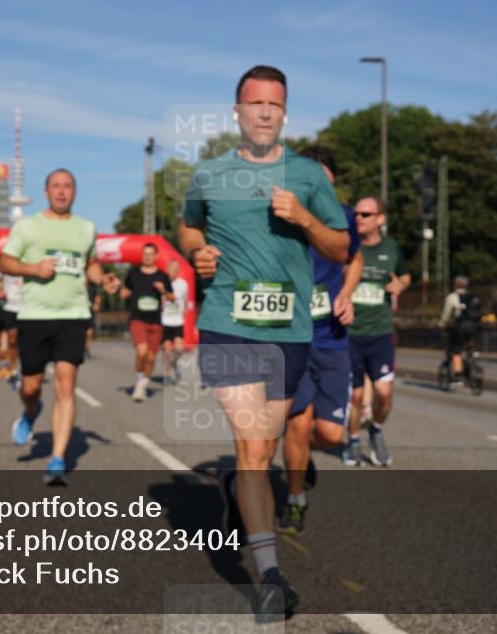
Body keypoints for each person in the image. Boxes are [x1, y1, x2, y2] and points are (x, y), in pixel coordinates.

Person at [179, 65, 349, 615]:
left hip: (289, 331)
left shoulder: (308, 177)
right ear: (237, 111)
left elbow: (341, 248)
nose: (264, 112)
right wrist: (196, 251)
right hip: (227, 322)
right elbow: (188, 227)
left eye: (274, 104)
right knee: (253, 448)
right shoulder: (208, 175)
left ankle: (233, 496)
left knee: (266, 447)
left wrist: (303, 217)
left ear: (285, 113)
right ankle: (271, 576)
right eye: (255, 103)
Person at [0, 168, 120, 485]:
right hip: (35, 317)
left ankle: (56, 459)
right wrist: (32, 268)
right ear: (46, 191)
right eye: (56, 186)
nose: (62, 191)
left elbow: (90, 264)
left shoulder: (86, 228)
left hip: (73, 315)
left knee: (66, 386)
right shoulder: (28, 226)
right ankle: (31, 409)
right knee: (31, 385)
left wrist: (102, 278)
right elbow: (5, 261)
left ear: (75, 193)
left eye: (68, 186)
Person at [278, 145, 362, 535]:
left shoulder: (343, 219)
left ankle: (301, 459)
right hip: (291, 339)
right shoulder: (281, 217)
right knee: (298, 424)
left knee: (328, 433)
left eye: (325, 182)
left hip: (331, 338)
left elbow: (354, 258)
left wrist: (347, 292)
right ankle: (295, 499)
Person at [341, 196, 410, 468]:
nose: (359, 218)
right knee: (356, 396)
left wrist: (400, 286)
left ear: (380, 219)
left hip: (381, 333)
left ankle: (376, 429)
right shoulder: (345, 247)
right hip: (350, 333)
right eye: (357, 214)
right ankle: (353, 440)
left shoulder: (392, 249)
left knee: (383, 394)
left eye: (366, 214)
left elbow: (404, 276)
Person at [120, 243, 174, 402]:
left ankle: (142, 385)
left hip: (156, 321)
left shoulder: (162, 276)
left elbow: (173, 298)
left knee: (150, 357)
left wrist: (163, 291)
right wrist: (124, 293)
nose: (148, 257)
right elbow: (126, 290)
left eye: (151, 254)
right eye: (145, 254)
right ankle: (139, 380)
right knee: (142, 352)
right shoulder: (133, 274)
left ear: (156, 256)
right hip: (138, 318)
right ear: (142, 256)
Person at [439, 275, 479, 381]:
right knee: (468, 342)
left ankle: (457, 376)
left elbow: (446, 314)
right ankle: (472, 356)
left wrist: (442, 324)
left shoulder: (452, 297)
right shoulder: (472, 297)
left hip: (460, 327)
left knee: (456, 350)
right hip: (474, 327)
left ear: (455, 285)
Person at [0, 262, 23, 385]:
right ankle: (0, 365)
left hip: (18, 307)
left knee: (12, 339)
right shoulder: (0, 265)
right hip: (0, 308)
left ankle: (12, 368)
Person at [161, 259, 190, 383]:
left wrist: (185, 309)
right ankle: (167, 373)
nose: (173, 272)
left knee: (179, 349)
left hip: (178, 321)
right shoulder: (162, 284)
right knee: (167, 351)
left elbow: (186, 300)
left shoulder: (183, 284)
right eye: (171, 269)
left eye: (176, 270)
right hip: (165, 321)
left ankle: (174, 363)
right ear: (167, 269)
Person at [85, 282, 102, 359]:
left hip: (89, 311)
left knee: (89, 332)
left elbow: (98, 296)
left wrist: (96, 304)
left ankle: (87, 349)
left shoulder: (93, 286)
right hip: (77, 311)